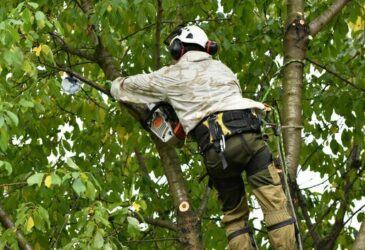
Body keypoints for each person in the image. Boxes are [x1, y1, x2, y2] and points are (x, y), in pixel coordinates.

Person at [110, 25, 296, 250]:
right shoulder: (224, 69)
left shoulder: (172, 75)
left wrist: (116, 84)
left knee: (234, 218)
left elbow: (124, 88)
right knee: (275, 206)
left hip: (216, 151)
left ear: (179, 49)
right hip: (250, 137)